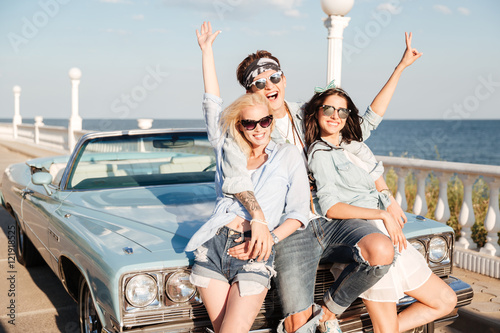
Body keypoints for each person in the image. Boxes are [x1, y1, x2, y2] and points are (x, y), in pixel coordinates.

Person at [220, 27, 424, 333]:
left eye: (274, 77)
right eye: (258, 83)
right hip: (292, 226)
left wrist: (400, 68)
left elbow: (364, 123)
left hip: (333, 217)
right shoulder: (250, 128)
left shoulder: (307, 114)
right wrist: (252, 224)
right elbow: (237, 181)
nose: (269, 85)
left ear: (284, 79)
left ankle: (328, 313)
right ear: (250, 92)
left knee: (382, 250)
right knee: (296, 323)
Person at [184, 23, 310, 333]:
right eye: (250, 123)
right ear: (241, 123)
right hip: (214, 244)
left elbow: (299, 213)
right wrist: (207, 52)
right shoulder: (228, 145)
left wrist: (268, 235)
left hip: (255, 249)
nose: (259, 128)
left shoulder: (287, 156)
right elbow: (211, 104)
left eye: (265, 121)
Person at [304, 86, 458, 333]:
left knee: (445, 301)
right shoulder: (321, 153)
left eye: (342, 111)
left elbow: (374, 114)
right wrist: (382, 213)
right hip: (366, 236)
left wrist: (401, 66)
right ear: (317, 112)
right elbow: (331, 208)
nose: (335, 116)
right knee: (386, 328)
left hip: (387, 235)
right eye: (329, 109)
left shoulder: (351, 145)